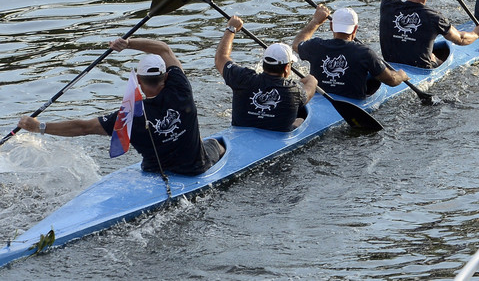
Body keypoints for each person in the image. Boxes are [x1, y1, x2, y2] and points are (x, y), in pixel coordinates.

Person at [17, 37, 224, 176]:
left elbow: (83, 127)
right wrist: (127, 43)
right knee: (217, 144)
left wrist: (39, 127)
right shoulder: (181, 88)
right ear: (167, 76)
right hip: (196, 168)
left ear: (139, 82)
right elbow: (163, 49)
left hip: (154, 173)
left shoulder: (128, 116)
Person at [216, 19, 316, 131]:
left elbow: (221, 58)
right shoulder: (293, 90)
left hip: (241, 137)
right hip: (279, 140)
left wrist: (231, 29)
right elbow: (308, 93)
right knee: (301, 120)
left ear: (264, 64)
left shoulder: (242, 78)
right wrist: (312, 80)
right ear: (287, 68)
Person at [292, 5, 409, 95]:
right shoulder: (365, 53)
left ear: (331, 26)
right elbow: (392, 81)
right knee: (373, 75)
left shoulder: (315, 45)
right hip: (353, 99)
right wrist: (401, 75)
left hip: (320, 96)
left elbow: (296, 44)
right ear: (355, 29)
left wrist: (315, 21)